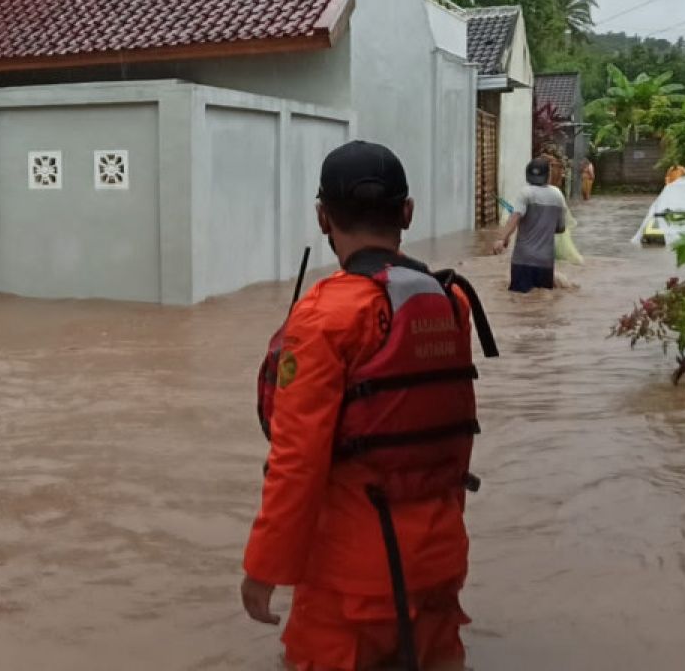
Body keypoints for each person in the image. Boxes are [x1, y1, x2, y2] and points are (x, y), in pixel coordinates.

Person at [242, 140, 497, 671]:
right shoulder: (450, 300)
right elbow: (445, 431)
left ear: (321, 217)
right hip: (441, 557)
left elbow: (297, 460)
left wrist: (264, 568)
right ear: (407, 212)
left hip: (351, 581)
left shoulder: (324, 316)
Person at [491, 157, 567, 293]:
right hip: (546, 262)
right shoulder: (558, 195)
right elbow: (560, 228)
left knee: (518, 302)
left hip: (523, 261)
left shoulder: (525, 193)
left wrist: (503, 239)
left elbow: (514, 218)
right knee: (543, 302)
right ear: (548, 175)